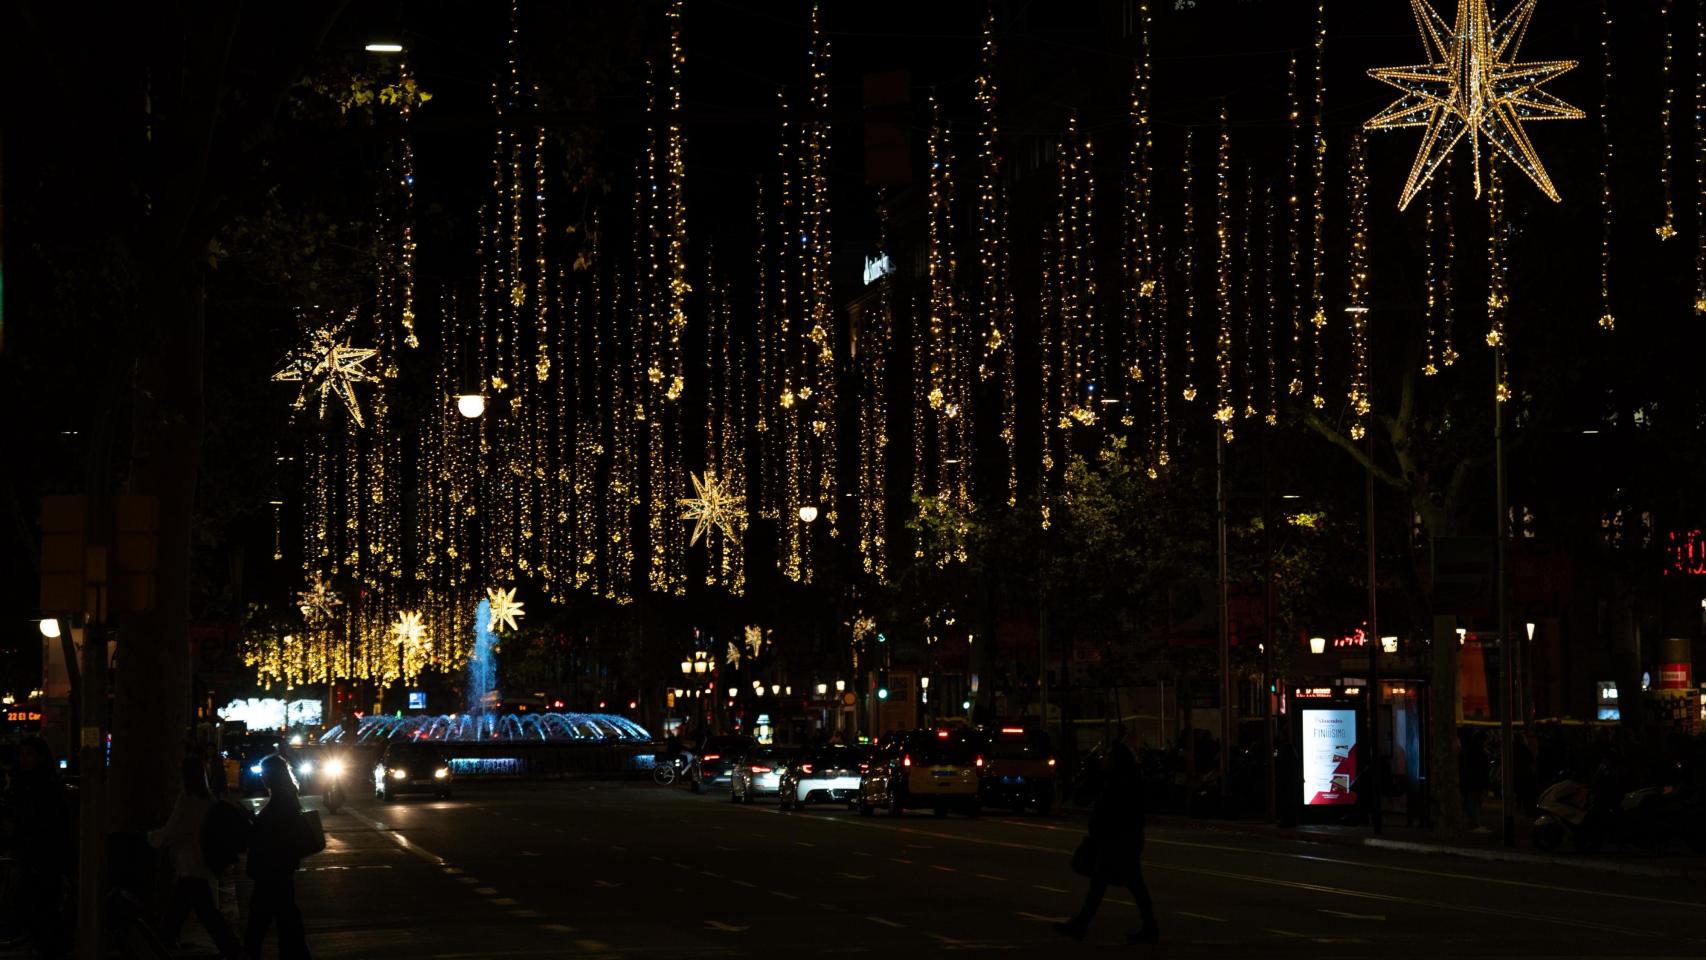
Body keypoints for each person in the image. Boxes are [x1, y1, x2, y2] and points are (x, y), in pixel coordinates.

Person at [1054, 741, 1159, 945]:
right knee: (1121, 884)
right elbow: (1084, 798)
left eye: (1108, 757)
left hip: (1118, 838)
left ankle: (1082, 925)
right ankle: (1148, 925)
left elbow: (1090, 800)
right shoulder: (1123, 779)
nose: (1105, 760)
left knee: (1113, 883)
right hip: (1118, 838)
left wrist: (1095, 776)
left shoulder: (1119, 780)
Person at [151, 756, 242, 958]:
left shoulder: (187, 799)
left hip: (190, 864)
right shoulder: (208, 799)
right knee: (190, 909)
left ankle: (232, 948)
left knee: (199, 911)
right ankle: (165, 941)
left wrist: (152, 838)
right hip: (203, 862)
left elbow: (173, 831)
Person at [4, 736, 69, 959]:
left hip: (43, 858)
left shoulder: (46, 787)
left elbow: (51, 824)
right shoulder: (23, 784)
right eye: (21, 754)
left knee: (42, 910)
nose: (23, 759)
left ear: (40, 757)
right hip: (28, 855)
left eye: (28, 754)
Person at [244, 754, 310, 960]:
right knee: (286, 922)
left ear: (272, 776)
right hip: (281, 870)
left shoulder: (279, 804)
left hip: (271, 872)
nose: (262, 777)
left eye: (265, 773)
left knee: (258, 926)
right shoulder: (287, 799)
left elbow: (272, 835)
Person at [1459, 729, 1489, 833]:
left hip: (1472, 781)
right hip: (1475, 781)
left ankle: (1474, 823)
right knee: (1474, 803)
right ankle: (1473, 824)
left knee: (1473, 803)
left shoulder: (1469, 750)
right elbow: (1481, 767)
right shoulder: (1479, 751)